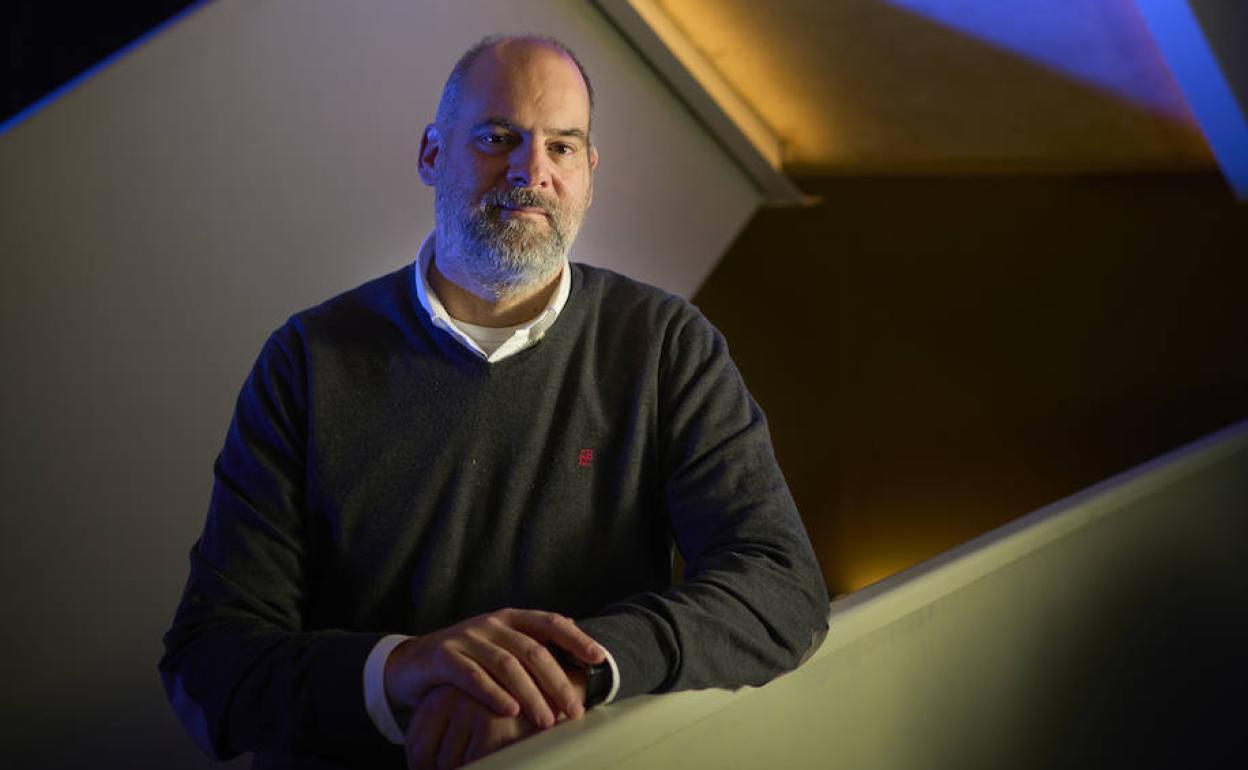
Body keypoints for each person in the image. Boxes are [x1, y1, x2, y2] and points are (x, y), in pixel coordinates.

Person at [160, 34, 829, 770]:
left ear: (589, 174)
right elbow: (209, 662)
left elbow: (782, 589)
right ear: (431, 154)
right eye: (498, 138)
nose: (531, 171)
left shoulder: (666, 345)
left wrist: (572, 670)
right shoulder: (307, 360)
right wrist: (403, 669)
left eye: (561, 146)